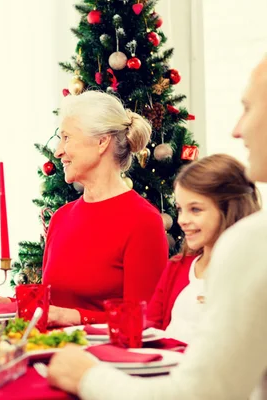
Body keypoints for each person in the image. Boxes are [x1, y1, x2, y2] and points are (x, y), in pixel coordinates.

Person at [47, 55, 267, 400]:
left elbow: (149, 329)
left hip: (113, 372)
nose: (236, 129)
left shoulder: (246, 244)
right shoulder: (61, 217)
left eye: (249, 108)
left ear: (102, 142)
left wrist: (85, 370)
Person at [42, 91, 168, 327]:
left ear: (102, 142)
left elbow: (146, 321)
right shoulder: (61, 217)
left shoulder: (143, 221)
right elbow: (47, 307)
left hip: (104, 362)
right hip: (52, 357)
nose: (58, 151)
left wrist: (74, 317)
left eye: (67, 137)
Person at [146, 154, 260, 343]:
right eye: (180, 209)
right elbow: (151, 327)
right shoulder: (177, 266)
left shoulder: (249, 275)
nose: (182, 220)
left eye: (195, 209)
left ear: (229, 209)